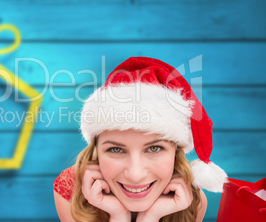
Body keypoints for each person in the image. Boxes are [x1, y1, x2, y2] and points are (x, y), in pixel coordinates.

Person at [53, 57, 228, 222]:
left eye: (154, 148)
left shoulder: (191, 202)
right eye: (116, 149)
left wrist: (150, 218)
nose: (135, 175)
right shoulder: (72, 190)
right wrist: (119, 217)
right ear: (96, 150)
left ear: (176, 151)